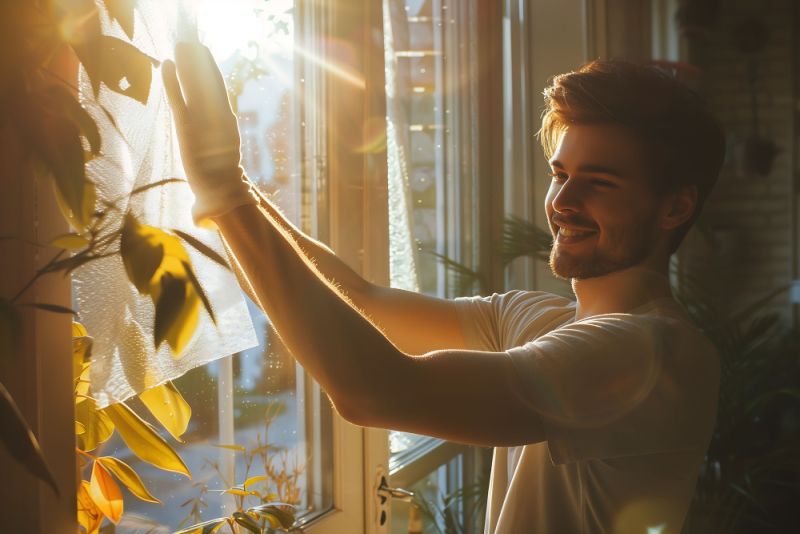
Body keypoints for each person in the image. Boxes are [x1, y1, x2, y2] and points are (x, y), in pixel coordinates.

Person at [162, 43, 725, 533]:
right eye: (560, 175)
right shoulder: (537, 320)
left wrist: (228, 195)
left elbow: (375, 392)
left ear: (675, 206)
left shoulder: (653, 353)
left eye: (599, 182)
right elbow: (359, 301)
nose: (562, 202)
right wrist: (232, 188)